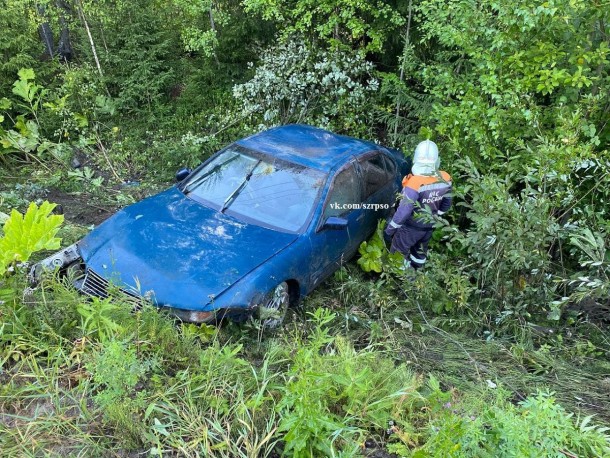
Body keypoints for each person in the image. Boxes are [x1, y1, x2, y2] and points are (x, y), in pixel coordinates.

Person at [384, 140, 452, 270]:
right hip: (430, 226)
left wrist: (390, 230)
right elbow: (447, 204)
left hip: (411, 228)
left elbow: (404, 211)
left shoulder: (414, 183)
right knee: (419, 252)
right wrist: (436, 217)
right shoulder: (445, 178)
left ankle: (407, 281)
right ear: (436, 160)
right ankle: (419, 274)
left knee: (397, 253)